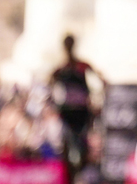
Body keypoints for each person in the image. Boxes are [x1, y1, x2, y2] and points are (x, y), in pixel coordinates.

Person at [50, 35, 105, 183]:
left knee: (81, 145)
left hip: (79, 113)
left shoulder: (78, 66)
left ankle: (80, 174)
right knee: (67, 146)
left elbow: (103, 80)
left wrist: (96, 100)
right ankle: (73, 176)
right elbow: (48, 85)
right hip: (69, 113)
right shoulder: (62, 68)